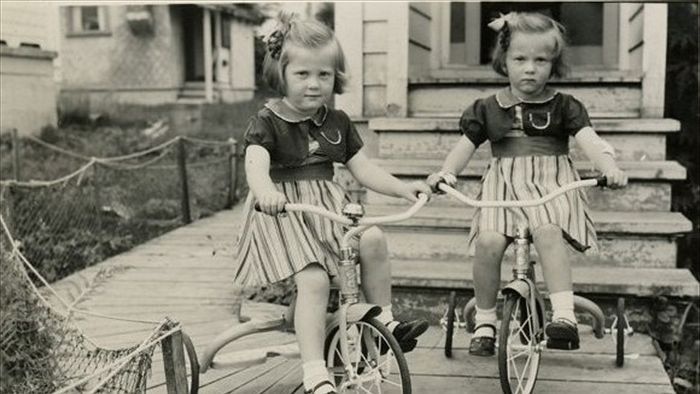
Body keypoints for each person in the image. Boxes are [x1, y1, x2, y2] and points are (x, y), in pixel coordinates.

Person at [234, 12, 432, 394]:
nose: (314, 84)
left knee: (372, 237)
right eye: (303, 75)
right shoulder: (268, 121)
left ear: (335, 76)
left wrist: (403, 188)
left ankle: (386, 322)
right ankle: (314, 372)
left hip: (325, 206)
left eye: (324, 75)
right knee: (314, 279)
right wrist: (266, 192)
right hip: (283, 212)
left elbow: (363, 168)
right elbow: (255, 163)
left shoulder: (337, 121)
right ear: (281, 74)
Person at [427, 11, 628, 357]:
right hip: (503, 186)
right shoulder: (488, 108)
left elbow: (590, 140)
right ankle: (486, 321)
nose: (530, 68)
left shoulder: (564, 106)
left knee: (548, 231)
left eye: (541, 60)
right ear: (504, 61)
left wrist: (608, 165)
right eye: (520, 59)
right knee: (488, 241)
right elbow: (463, 149)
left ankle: (563, 317)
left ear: (555, 65)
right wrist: (446, 173)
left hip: (551, 184)